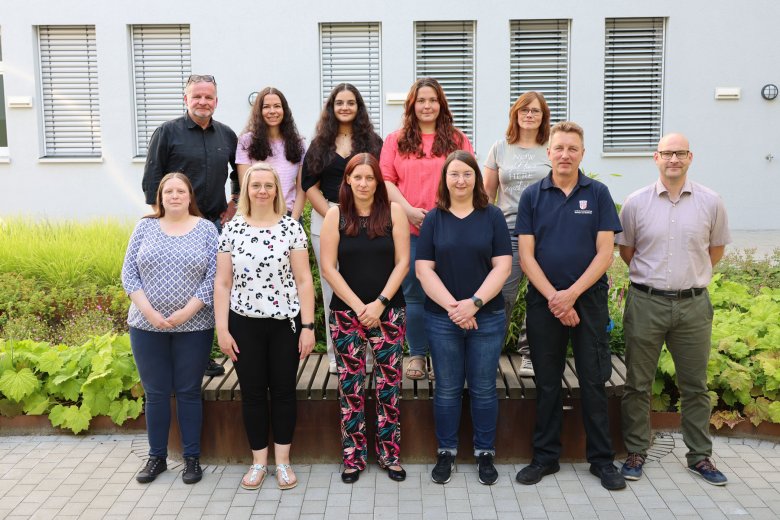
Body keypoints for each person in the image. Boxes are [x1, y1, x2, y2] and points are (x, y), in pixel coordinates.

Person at [514, 122, 625, 490]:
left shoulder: (597, 193)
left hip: (588, 300)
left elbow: (605, 253)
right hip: (544, 301)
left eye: (572, 149)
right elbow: (527, 257)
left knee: (594, 380)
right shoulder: (532, 196)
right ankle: (545, 458)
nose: (564, 154)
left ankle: (602, 461)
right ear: (548, 153)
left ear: (582, 153)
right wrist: (556, 299)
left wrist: (572, 295)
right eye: (558, 148)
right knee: (547, 382)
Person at [617, 133, 730, 486]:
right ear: (656, 158)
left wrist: (689, 278)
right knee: (637, 383)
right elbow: (627, 252)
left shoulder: (711, 202)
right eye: (667, 153)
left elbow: (715, 251)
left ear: (690, 157)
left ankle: (699, 456)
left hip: (693, 306)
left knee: (695, 385)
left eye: (680, 153)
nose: (673, 160)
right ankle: (636, 450)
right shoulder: (635, 203)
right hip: (646, 302)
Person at [214, 163, 316, 491]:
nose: (261, 190)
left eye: (268, 185)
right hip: (244, 324)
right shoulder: (232, 229)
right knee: (253, 393)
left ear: (276, 190)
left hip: (284, 323)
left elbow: (303, 281)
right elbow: (222, 283)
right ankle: (259, 462)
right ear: (246, 190)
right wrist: (222, 329)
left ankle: (283, 463)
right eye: (255, 185)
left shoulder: (291, 228)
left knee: (284, 391)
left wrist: (308, 326)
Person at [416, 150, 512, 486]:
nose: (460, 180)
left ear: (477, 178)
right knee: (447, 389)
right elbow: (423, 270)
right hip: (442, 320)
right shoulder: (434, 219)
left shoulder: (493, 216)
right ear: (445, 179)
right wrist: (455, 310)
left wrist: (474, 303)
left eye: (467, 174)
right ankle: (447, 451)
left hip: (487, 318)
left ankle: (485, 453)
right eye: (454, 174)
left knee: (484, 388)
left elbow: (503, 265)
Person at [122, 172, 218, 485]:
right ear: (160, 197)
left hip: (194, 326)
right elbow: (129, 275)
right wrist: (149, 313)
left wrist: (186, 312)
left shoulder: (206, 229)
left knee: (189, 391)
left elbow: (214, 278)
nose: (174, 196)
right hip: (146, 326)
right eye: (169, 191)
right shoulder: (144, 226)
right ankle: (157, 457)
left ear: (190, 196)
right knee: (156, 393)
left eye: (180, 191)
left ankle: (192, 459)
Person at [320, 153, 410, 483]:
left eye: (369, 178)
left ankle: (389, 455)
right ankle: (353, 458)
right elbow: (329, 268)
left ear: (378, 182)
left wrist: (380, 304)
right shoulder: (335, 216)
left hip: (389, 312)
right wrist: (361, 307)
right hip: (346, 315)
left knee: (388, 387)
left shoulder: (393, 213)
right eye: (356, 177)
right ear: (347, 180)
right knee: (351, 388)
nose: (363, 183)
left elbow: (402, 263)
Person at [142, 73, 238, 378]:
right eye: (197, 96)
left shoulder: (226, 135)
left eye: (208, 97)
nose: (203, 102)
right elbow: (152, 181)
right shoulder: (167, 133)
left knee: (214, 289)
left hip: (215, 224)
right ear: (186, 99)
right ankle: (180, 353)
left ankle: (210, 353)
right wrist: (164, 223)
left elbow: (240, 171)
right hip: (180, 226)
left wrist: (234, 199)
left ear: (216, 101)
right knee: (183, 290)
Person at [380, 77, 474, 381]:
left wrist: (443, 215)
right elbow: (386, 181)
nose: (427, 106)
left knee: (449, 292)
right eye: (421, 100)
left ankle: (444, 356)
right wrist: (407, 211)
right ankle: (418, 354)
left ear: (441, 105)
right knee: (414, 294)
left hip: (451, 229)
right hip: (408, 229)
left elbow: (468, 179)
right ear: (412, 105)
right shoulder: (395, 140)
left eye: (432, 100)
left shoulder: (458, 139)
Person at [302, 83, 384, 374]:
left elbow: (383, 181)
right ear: (331, 108)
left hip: (369, 220)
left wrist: (356, 215)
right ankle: (340, 357)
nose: (345, 107)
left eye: (351, 103)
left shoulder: (373, 142)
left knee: (367, 284)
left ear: (358, 107)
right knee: (332, 290)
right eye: (339, 103)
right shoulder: (320, 144)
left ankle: (371, 356)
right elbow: (308, 184)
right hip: (327, 219)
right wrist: (335, 214)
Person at [484, 91, 551, 376]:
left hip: (545, 234)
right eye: (524, 110)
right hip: (508, 231)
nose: (529, 115)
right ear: (516, 114)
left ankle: (530, 354)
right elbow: (487, 195)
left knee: (539, 295)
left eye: (535, 111)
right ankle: (489, 355)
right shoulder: (500, 148)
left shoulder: (551, 147)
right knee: (503, 295)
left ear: (543, 116)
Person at [236, 87, 307, 220]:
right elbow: (245, 185)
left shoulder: (299, 143)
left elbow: (302, 189)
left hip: (290, 215)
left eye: (277, 106)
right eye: (266, 107)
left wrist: (294, 221)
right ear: (259, 111)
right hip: (257, 216)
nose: (272, 111)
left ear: (284, 110)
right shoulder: (246, 141)